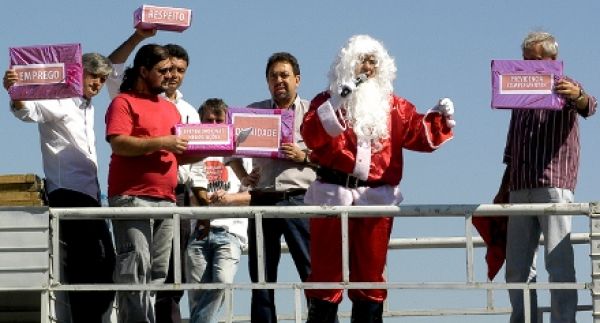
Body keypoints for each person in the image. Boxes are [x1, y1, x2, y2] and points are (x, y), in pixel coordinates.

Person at [300, 34, 455, 323]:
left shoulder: (394, 106)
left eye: (373, 61)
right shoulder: (326, 101)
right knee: (325, 275)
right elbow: (311, 137)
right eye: (362, 60)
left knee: (370, 276)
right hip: (332, 198)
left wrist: (440, 119)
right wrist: (336, 102)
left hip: (375, 200)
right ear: (347, 64)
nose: (367, 67)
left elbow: (418, 134)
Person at [3, 54, 116, 323]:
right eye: (94, 76)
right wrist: (14, 91)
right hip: (68, 190)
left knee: (104, 262)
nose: (99, 84)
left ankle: (91, 316)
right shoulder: (61, 100)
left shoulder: (88, 107)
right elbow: (29, 112)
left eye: (102, 79)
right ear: (79, 74)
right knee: (84, 263)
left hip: (90, 194)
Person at [494, 31, 597, 323]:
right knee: (517, 266)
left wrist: (575, 95)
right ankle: (524, 318)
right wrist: (505, 185)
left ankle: (563, 320)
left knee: (558, 262)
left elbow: (589, 105)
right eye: (525, 60)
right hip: (520, 186)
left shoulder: (566, 86)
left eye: (535, 59)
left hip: (554, 184)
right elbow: (513, 144)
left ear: (552, 60)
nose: (529, 65)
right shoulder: (520, 94)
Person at [107, 28, 200, 323]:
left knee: (159, 272)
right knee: (135, 267)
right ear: (144, 70)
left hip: (167, 200)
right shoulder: (123, 102)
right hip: (132, 197)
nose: (169, 76)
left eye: (173, 70)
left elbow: (179, 153)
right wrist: (162, 142)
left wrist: (215, 148)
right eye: (163, 70)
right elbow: (119, 142)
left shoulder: (170, 109)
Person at [228, 52, 316, 323]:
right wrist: (244, 176)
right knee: (262, 276)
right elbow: (229, 150)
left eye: (284, 75)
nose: (279, 80)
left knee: (312, 271)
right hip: (263, 201)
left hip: (300, 200)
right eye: (273, 76)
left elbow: (333, 156)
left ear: (297, 80)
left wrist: (305, 157)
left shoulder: (313, 114)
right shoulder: (253, 113)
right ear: (267, 82)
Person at [184, 98, 251, 323]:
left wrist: (228, 199)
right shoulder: (194, 154)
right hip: (198, 230)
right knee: (197, 296)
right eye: (208, 120)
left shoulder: (242, 155)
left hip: (229, 231)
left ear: (227, 122)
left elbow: (252, 196)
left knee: (222, 282)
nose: (213, 125)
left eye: (218, 120)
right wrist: (203, 201)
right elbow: (189, 191)